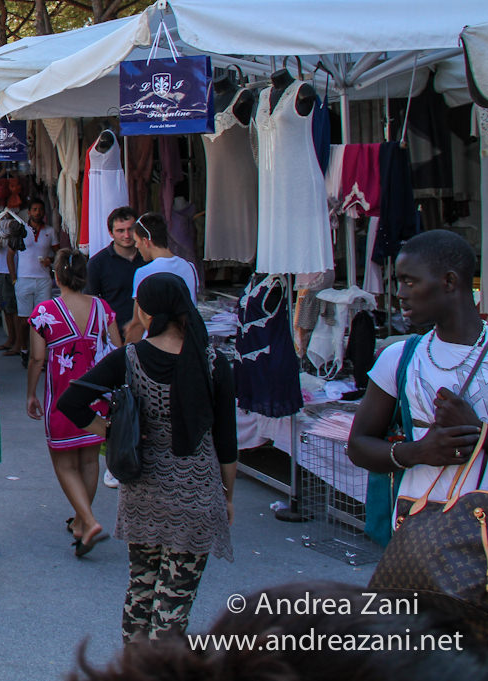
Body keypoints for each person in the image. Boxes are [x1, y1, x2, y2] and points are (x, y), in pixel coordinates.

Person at [58, 273, 236, 645]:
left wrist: (111, 431)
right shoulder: (213, 362)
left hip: (144, 494)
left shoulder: (130, 357)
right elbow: (227, 442)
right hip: (196, 495)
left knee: (140, 592)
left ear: (145, 309)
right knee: (174, 604)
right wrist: (228, 496)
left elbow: (70, 402)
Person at [347, 231, 488, 600]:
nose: (400, 293)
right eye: (398, 282)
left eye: (410, 281)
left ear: (449, 282)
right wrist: (418, 452)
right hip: (418, 536)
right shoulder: (400, 357)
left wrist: (477, 432)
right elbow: (359, 446)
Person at [71, 581, 487, 680]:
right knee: (172, 592)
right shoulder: (210, 367)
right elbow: (226, 442)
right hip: (192, 508)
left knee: (146, 586)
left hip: (149, 507)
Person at [24, 249, 121, 556]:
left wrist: (31, 393)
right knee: (90, 461)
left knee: (65, 464)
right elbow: (118, 350)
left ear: (56, 276)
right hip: (97, 400)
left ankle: (89, 521)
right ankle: (80, 521)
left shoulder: (43, 313)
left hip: (63, 400)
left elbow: (38, 358)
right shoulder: (103, 308)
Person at [127, 212, 199, 342]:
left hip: (158, 343)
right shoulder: (190, 267)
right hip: (188, 340)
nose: (136, 246)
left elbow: (138, 322)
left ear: (146, 241)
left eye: (137, 242)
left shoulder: (144, 272)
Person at [85, 207, 145, 331]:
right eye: (120, 231)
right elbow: (90, 304)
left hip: (148, 334)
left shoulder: (149, 259)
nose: (127, 235)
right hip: (114, 335)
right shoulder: (97, 264)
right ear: (111, 233)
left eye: (131, 229)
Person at [13, 198, 61, 353]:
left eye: (40, 209)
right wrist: (14, 278)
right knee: (24, 317)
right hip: (24, 278)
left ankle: (42, 350)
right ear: (29, 212)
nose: (38, 212)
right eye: (34, 209)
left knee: (44, 317)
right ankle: (24, 347)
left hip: (44, 280)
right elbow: (9, 255)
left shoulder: (50, 231)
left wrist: (51, 260)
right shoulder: (21, 230)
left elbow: (58, 253)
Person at [0, 215, 22, 356]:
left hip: (11, 272)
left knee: (13, 309)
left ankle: (17, 343)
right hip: (2, 272)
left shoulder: (14, 230)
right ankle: (11, 339)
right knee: (6, 309)